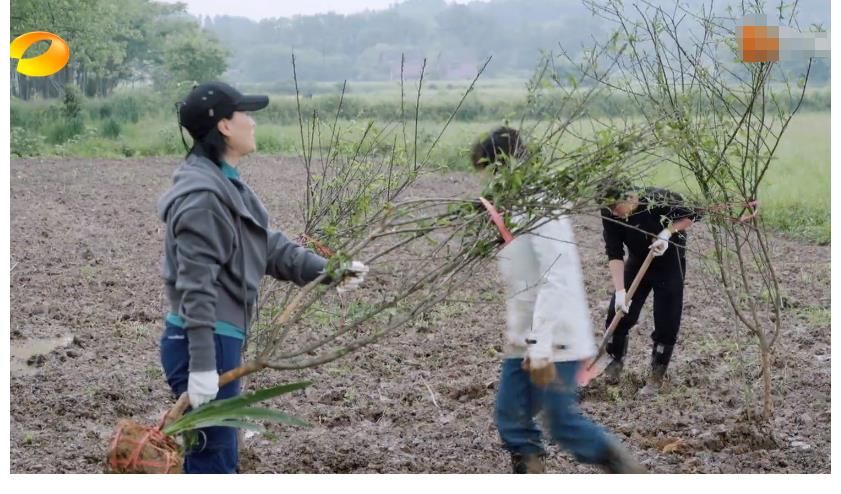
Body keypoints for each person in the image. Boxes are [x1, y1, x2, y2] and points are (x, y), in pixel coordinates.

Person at [157, 81, 368, 473]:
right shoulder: (203, 198)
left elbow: (267, 246)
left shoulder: (224, 184)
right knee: (213, 460)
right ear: (224, 126)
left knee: (218, 454)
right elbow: (195, 287)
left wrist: (329, 271)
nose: (252, 123)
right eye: (244, 114)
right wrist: (202, 366)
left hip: (218, 340)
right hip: (204, 341)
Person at [472, 127, 645, 474]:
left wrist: (540, 346)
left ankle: (626, 470)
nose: (488, 180)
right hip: (526, 335)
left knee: (563, 423)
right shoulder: (516, 203)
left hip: (554, 336)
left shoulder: (541, 205)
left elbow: (555, 276)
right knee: (511, 418)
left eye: (489, 170)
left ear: (503, 164)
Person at [598, 184, 700, 396]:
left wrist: (667, 233)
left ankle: (656, 376)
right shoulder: (609, 213)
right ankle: (614, 364)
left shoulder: (659, 198)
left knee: (667, 321)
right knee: (618, 314)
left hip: (670, 263)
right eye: (610, 210)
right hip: (638, 262)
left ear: (629, 197)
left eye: (616, 208)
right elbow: (614, 252)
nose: (614, 214)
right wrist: (620, 292)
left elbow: (692, 214)